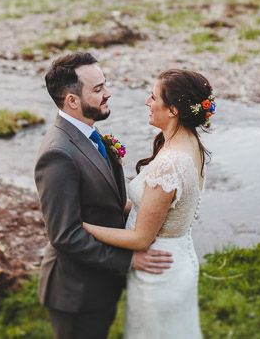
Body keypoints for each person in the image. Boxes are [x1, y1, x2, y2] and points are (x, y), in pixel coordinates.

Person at [34, 52, 174, 339]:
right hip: (76, 294)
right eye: (98, 89)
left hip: (100, 285)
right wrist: (129, 261)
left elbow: (108, 200)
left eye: (104, 85)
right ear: (72, 101)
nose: (108, 94)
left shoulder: (89, 135)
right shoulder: (57, 154)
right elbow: (65, 235)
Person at [83, 68, 214, 338]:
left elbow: (141, 239)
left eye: (153, 97)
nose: (147, 102)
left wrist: (82, 226)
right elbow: (158, 207)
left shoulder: (170, 164)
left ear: (174, 110)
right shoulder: (190, 143)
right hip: (176, 259)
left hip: (157, 268)